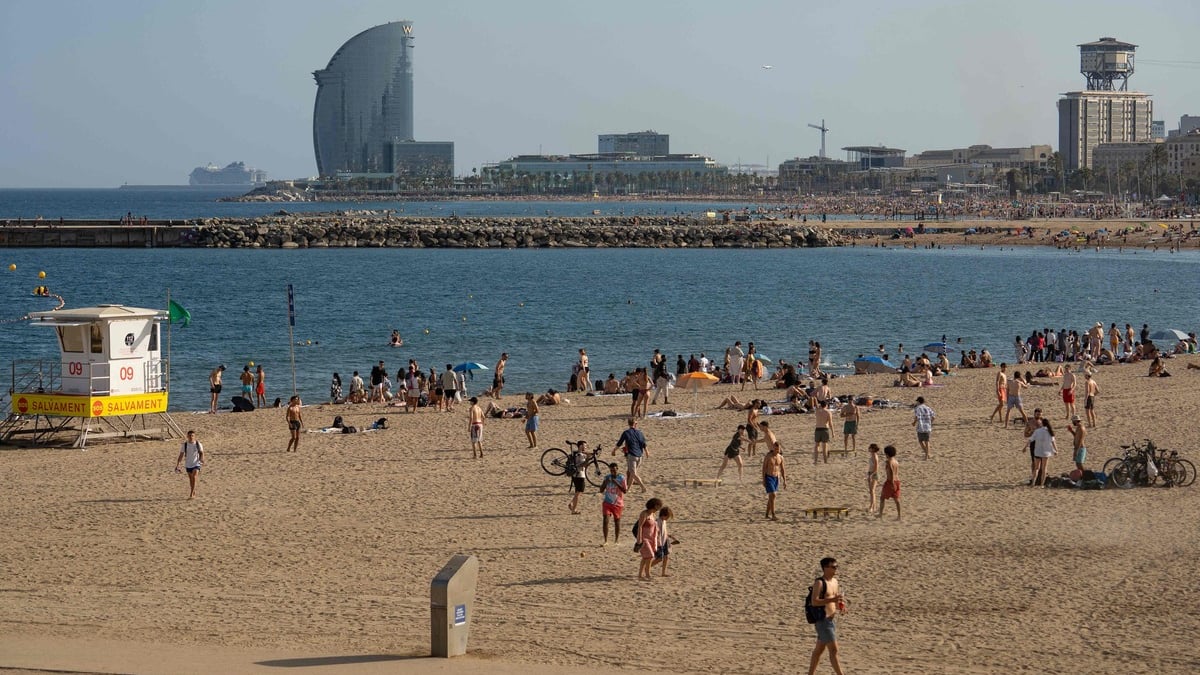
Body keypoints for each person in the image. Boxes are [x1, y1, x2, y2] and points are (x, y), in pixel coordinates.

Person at [807, 557, 846, 675]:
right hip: (822, 621)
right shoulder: (819, 583)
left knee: (819, 650)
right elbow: (814, 601)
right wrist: (832, 599)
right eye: (833, 567)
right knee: (834, 650)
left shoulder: (835, 582)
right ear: (825, 568)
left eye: (836, 566)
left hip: (831, 620)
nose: (836, 569)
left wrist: (840, 606)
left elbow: (835, 600)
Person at [613, 417, 648, 492]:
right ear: (635, 424)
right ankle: (628, 489)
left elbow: (620, 443)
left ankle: (643, 487)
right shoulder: (639, 432)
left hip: (632, 455)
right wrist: (647, 452)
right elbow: (643, 443)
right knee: (632, 473)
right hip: (640, 455)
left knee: (633, 473)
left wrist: (614, 450)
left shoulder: (626, 432)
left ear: (628, 424)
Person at [600, 462, 627, 545]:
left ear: (617, 469)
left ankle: (616, 540)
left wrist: (616, 483)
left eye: (614, 470)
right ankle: (606, 541)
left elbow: (625, 490)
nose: (613, 472)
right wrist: (605, 483)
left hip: (617, 503)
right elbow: (601, 490)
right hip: (607, 502)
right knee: (605, 520)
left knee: (617, 521)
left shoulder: (622, 478)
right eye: (611, 470)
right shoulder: (607, 477)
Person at [635, 499, 662, 580]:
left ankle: (640, 575)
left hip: (652, 538)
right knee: (650, 556)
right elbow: (640, 526)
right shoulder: (644, 514)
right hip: (644, 538)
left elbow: (655, 527)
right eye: (658, 505)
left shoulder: (653, 514)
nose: (659, 507)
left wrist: (657, 539)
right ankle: (647, 574)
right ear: (653, 505)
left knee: (645, 557)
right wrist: (639, 539)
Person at [174, 430, 204, 500]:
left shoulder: (198, 444)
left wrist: (201, 460)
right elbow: (181, 455)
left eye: (192, 436)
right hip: (188, 464)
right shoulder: (184, 445)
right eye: (189, 436)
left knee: (194, 477)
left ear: (194, 436)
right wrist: (177, 465)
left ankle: (191, 493)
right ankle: (193, 491)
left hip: (196, 463)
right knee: (191, 480)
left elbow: (201, 453)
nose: (191, 437)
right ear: (187, 436)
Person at [651, 506, 678, 577]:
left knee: (666, 557)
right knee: (660, 558)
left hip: (664, 541)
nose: (668, 519)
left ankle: (663, 573)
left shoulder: (664, 521)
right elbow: (655, 532)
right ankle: (647, 568)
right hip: (659, 542)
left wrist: (671, 536)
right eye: (667, 517)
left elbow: (664, 531)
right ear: (663, 515)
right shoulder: (657, 522)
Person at [761, 440, 786, 521]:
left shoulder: (781, 457)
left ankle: (766, 514)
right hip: (769, 477)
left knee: (771, 497)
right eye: (775, 449)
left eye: (778, 449)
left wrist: (784, 480)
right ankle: (773, 514)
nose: (776, 450)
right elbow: (764, 468)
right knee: (773, 495)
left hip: (776, 478)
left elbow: (782, 469)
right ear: (773, 448)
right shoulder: (768, 456)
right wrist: (763, 480)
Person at [1030, 418, 1057, 487]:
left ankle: (1033, 482)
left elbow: (1031, 439)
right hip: (1046, 452)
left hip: (1038, 451)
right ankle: (1042, 484)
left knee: (1036, 468)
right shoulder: (1050, 432)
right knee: (1044, 468)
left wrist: (1024, 447)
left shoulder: (1037, 431)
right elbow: (1053, 442)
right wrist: (1056, 450)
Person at [878, 445, 900, 520]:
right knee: (896, 499)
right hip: (897, 481)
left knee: (882, 498)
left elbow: (891, 471)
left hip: (890, 481)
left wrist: (892, 482)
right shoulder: (896, 461)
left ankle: (880, 515)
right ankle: (899, 516)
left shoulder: (889, 462)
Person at [568, 440, 588, 513]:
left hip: (575, 475)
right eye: (584, 445)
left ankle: (571, 504)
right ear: (580, 446)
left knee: (578, 492)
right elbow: (581, 465)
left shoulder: (577, 453)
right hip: (579, 475)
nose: (585, 447)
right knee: (578, 493)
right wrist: (588, 459)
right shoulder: (580, 455)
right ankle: (574, 510)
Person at [865, 443, 880, 514]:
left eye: (870, 447)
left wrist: (871, 475)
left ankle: (872, 506)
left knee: (872, 491)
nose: (869, 448)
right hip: (870, 473)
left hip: (874, 474)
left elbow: (876, 467)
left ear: (873, 449)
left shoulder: (874, 456)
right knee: (871, 491)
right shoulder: (872, 456)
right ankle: (873, 506)